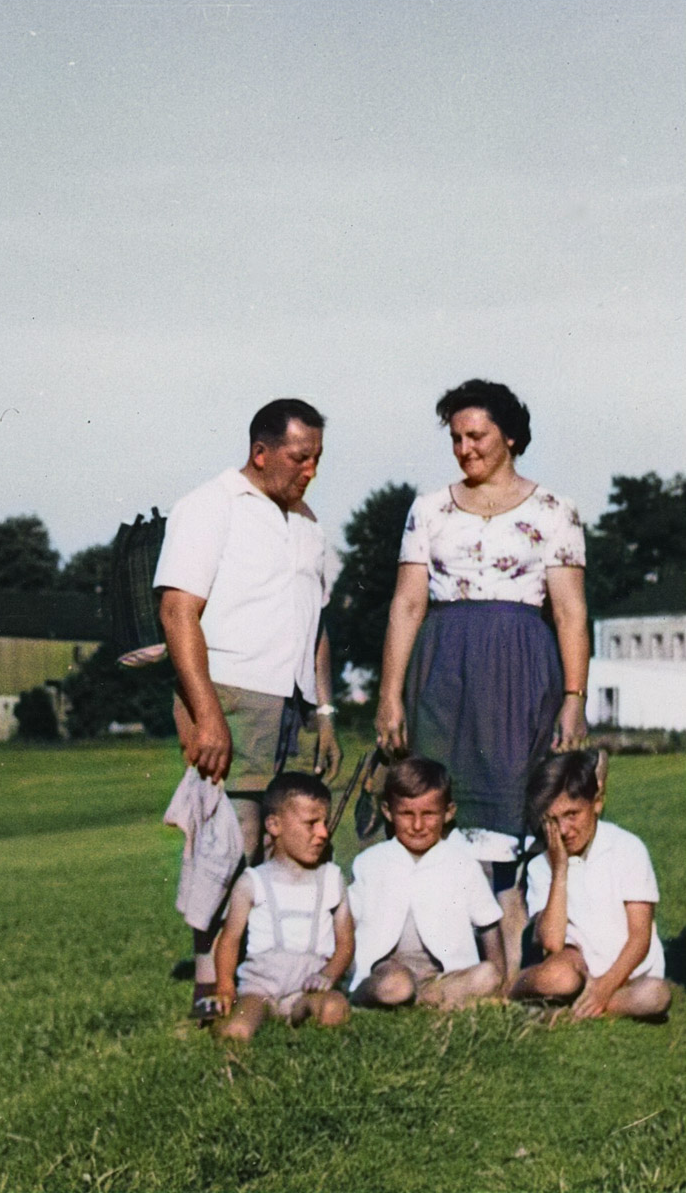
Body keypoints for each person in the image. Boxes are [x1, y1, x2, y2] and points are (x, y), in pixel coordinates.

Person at [375, 378, 589, 976]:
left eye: (477, 436)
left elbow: (570, 611)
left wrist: (574, 696)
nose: (465, 448)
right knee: (436, 798)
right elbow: (406, 605)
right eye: (456, 438)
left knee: (512, 809)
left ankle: (514, 964)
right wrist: (390, 695)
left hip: (520, 669)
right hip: (442, 668)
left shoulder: (555, 510)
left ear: (511, 437)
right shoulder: (429, 509)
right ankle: (437, 958)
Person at [155, 399, 342, 1017]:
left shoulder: (309, 524)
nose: (310, 470)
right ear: (261, 453)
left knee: (283, 843)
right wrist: (207, 714)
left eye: (317, 458)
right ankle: (209, 985)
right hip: (231, 694)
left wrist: (324, 713)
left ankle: (266, 975)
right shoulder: (210, 506)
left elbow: (316, 627)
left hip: (295, 704)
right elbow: (177, 612)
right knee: (227, 841)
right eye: (299, 457)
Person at [511, 751, 671, 1020]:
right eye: (552, 820)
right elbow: (552, 942)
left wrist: (605, 987)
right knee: (559, 977)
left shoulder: (628, 848)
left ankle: (578, 1006)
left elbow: (639, 937)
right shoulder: (541, 865)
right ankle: (514, 989)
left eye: (572, 814)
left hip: (628, 973)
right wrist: (560, 871)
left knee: (656, 996)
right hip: (576, 966)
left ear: (596, 803)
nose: (563, 830)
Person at [349, 757, 504, 1010]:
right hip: (390, 969)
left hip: (442, 974)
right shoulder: (370, 862)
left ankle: (424, 997)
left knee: (488, 975)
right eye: (406, 814)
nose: (418, 825)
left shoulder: (463, 864)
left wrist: (500, 983)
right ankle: (368, 995)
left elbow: (489, 925)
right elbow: (348, 923)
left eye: (429, 814)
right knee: (397, 984)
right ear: (388, 812)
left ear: (448, 812)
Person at [215, 772, 353, 1040]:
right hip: (261, 988)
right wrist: (224, 984)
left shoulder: (332, 878)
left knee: (334, 1009)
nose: (323, 833)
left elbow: (346, 942)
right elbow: (229, 939)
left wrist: (329, 974)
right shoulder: (252, 882)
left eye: (324, 823)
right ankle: (228, 1020)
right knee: (237, 1031)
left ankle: (300, 1014)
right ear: (274, 825)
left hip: (309, 988)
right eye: (311, 823)